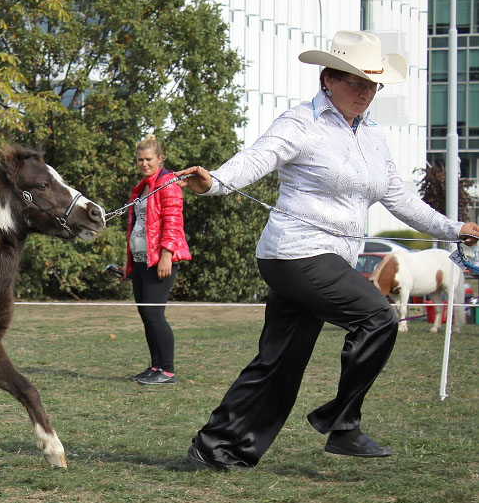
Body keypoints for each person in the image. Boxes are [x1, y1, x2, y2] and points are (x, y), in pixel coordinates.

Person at [174, 30, 479, 470]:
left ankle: (215, 449)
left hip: (328, 261)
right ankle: (342, 422)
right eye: (355, 81)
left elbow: (401, 199)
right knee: (377, 317)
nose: (365, 92)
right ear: (327, 79)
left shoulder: (372, 136)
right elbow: (258, 157)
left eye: (372, 84)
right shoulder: (301, 122)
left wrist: (454, 229)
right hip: (294, 254)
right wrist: (215, 183)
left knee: (279, 363)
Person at [124, 136, 191, 385]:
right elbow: (136, 225)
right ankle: (155, 367)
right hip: (141, 260)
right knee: (146, 314)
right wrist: (128, 263)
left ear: (160, 159)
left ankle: (168, 370)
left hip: (159, 260)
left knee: (155, 315)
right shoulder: (142, 187)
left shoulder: (167, 184)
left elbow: (173, 222)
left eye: (148, 159)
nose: (144, 163)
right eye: (140, 160)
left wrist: (166, 255)